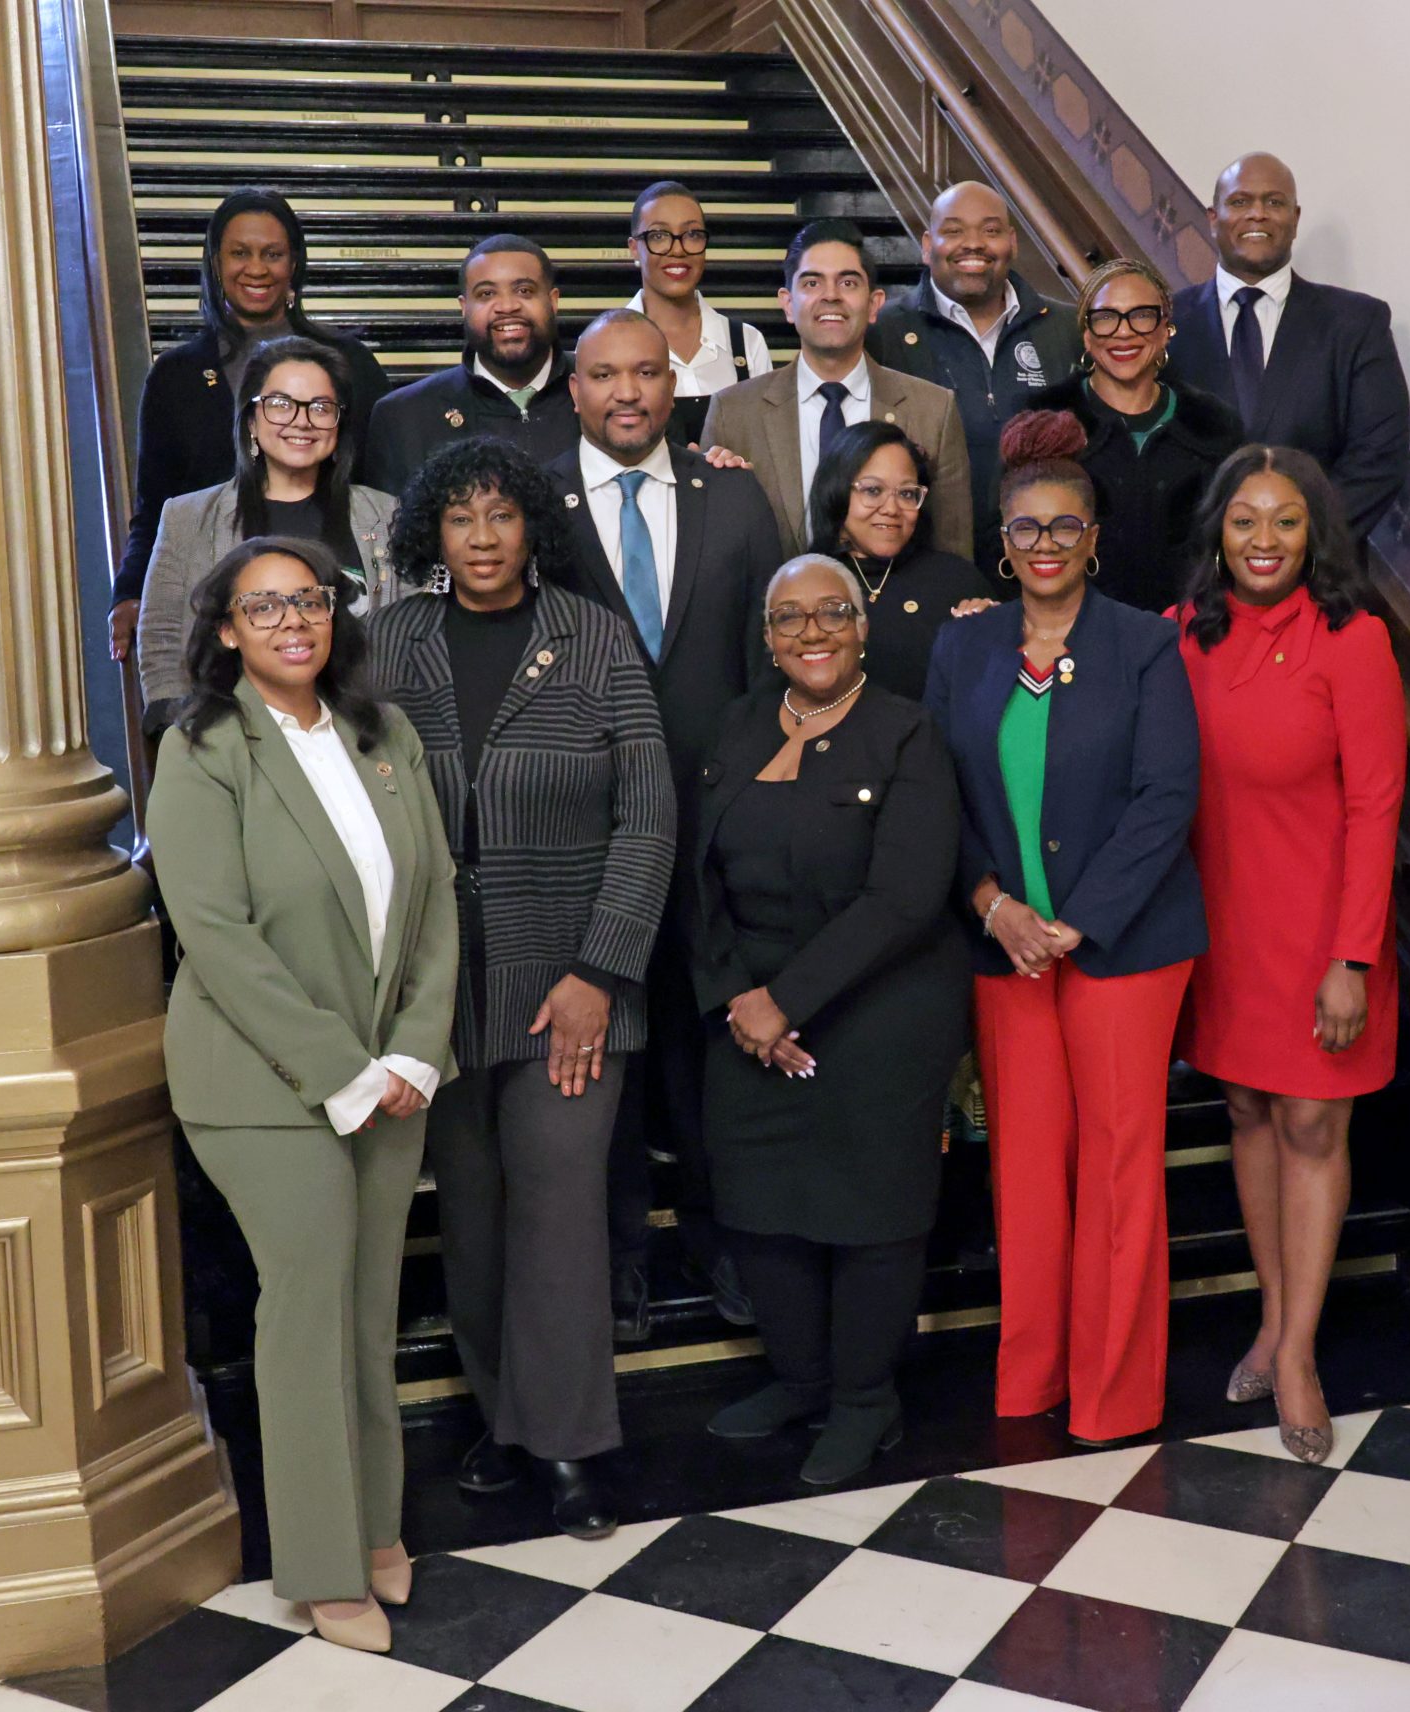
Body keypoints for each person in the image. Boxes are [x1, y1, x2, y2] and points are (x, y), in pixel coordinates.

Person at [147, 538, 458, 1655]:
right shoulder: (203, 747)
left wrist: (417, 1046)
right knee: (308, 1303)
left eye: (310, 600)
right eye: (264, 605)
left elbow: (437, 897)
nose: (292, 620)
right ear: (226, 628)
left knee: (367, 1305)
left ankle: (377, 1521)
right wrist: (341, 1067)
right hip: (261, 1083)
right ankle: (324, 1561)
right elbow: (216, 935)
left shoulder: (385, 734)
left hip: (390, 1076)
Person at [369, 438, 676, 1542]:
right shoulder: (391, 642)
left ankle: (572, 1446)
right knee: (476, 1217)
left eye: (502, 516)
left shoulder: (593, 637)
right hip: (439, 984)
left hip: (571, 981)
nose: (485, 538)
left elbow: (647, 817)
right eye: (461, 519)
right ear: (429, 536)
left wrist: (601, 969)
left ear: (532, 526)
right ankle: (503, 1420)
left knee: (558, 1213)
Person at [923, 411, 1205, 1447]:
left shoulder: (1144, 642)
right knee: (1026, 1168)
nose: (1044, 544)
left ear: (1094, 535)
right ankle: (1032, 1374)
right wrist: (994, 905)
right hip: (1003, 946)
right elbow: (938, 793)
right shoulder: (964, 644)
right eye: (1026, 528)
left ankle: (1114, 1390)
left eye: (1064, 526)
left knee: (1120, 1165)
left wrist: (1075, 923)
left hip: (1123, 949)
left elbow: (1166, 793)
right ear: (1004, 539)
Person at [692, 554, 969, 1486]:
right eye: (790, 618)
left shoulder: (907, 733)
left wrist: (785, 1002)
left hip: (879, 1011)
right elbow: (697, 881)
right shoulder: (733, 729)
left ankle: (864, 1401)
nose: (812, 634)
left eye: (832, 615)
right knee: (762, 1210)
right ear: (767, 636)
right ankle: (802, 1382)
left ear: (863, 628)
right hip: (747, 1017)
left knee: (870, 1216)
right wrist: (738, 997)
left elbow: (904, 898)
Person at [545, 307, 787, 1342]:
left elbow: (763, 665)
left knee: (706, 1053)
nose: (629, 393)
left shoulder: (733, 496)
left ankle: (715, 1234)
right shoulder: (532, 506)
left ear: (673, 384)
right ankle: (616, 1263)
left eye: (647, 373)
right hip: (580, 834)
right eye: (606, 376)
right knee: (604, 1061)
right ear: (575, 389)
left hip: (709, 832)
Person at [1174, 445, 1403, 1464]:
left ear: (1315, 535)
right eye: (1243, 520)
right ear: (1215, 532)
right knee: (1247, 1110)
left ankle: (1300, 1351)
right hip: (1221, 924)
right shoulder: (1181, 635)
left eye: (1284, 522)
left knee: (1312, 1117)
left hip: (1322, 929)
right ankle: (1270, 1318)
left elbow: (1376, 801)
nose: (1262, 541)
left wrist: (1351, 954)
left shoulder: (1352, 637)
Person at [110, 188, 392, 666]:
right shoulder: (176, 375)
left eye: (272, 254)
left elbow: (381, 490)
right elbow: (152, 507)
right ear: (216, 264)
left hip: (335, 603)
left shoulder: (351, 365)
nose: (256, 269)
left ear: (294, 264)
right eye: (240, 253)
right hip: (216, 606)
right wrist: (130, 591)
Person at [135, 337, 403, 717]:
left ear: (339, 424)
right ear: (250, 421)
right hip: (231, 738)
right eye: (280, 405)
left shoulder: (386, 514)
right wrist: (183, 727)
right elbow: (161, 638)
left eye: (321, 407)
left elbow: (414, 633)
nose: (302, 420)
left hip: (363, 731)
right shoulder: (187, 517)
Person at [1164, 153, 1410, 546]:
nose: (1258, 214)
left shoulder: (1357, 323)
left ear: (1295, 220)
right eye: (1240, 202)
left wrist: (1295, 542)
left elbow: (1378, 459)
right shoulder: (1165, 324)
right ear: (1213, 219)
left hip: (1318, 577)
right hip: (1189, 578)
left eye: (1274, 202)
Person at [701, 219, 973, 561]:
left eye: (847, 282)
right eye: (812, 282)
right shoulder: (734, 412)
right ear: (787, 303)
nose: (830, 295)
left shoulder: (933, 410)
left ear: (874, 304)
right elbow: (714, 553)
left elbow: (953, 556)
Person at [871, 182, 1079, 570]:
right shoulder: (884, 332)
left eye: (990, 230)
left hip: (1044, 560)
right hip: (924, 567)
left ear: (1012, 243)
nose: (974, 244)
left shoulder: (1066, 327)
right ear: (927, 245)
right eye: (953, 231)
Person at [1022, 257, 1244, 615]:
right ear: (1086, 333)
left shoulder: (1215, 424)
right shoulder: (1044, 419)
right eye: (1106, 317)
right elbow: (1004, 532)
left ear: (1165, 329)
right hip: (1073, 633)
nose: (1124, 332)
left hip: (1192, 632)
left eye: (1142, 315)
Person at [366, 235, 579, 497]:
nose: (507, 306)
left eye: (524, 290)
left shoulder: (601, 390)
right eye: (487, 294)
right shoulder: (403, 417)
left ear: (553, 301)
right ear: (464, 308)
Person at [805, 421, 995, 699]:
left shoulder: (957, 581)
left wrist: (993, 630)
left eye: (907, 494)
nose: (892, 509)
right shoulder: (805, 583)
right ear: (837, 492)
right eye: (872, 491)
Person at [624, 178, 773, 448]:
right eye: (659, 236)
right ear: (634, 247)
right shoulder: (606, 344)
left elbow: (766, 449)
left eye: (692, 235)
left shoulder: (747, 344)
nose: (678, 249)